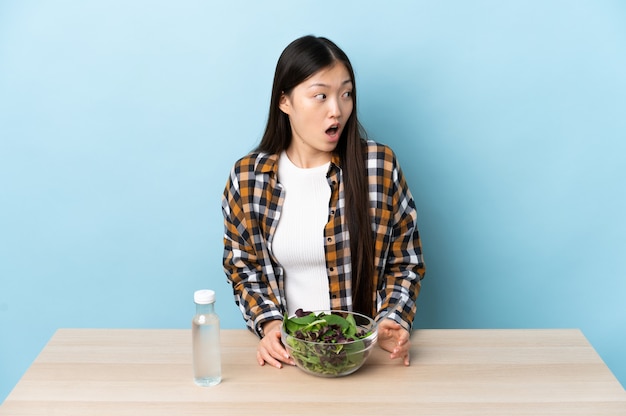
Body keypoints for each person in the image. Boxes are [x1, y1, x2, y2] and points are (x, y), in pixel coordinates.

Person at [222, 35, 425, 369]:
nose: (337, 110)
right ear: (284, 101)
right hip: (289, 360)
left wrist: (394, 318)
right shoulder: (248, 178)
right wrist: (269, 324)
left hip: (366, 358)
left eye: (346, 94)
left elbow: (406, 262)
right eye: (321, 96)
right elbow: (243, 268)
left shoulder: (378, 166)